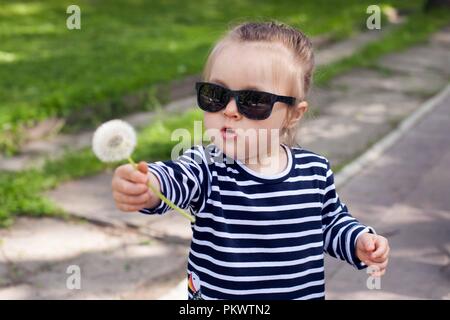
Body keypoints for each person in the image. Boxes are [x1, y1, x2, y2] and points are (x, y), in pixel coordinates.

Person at [111, 21, 389, 300]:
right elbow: (175, 179)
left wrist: (358, 240)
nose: (230, 110)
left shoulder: (313, 172)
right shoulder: (206, 166)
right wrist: (147, 184)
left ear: (293, 114)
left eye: (254, 100)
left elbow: (330, 222)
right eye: (215, 95)